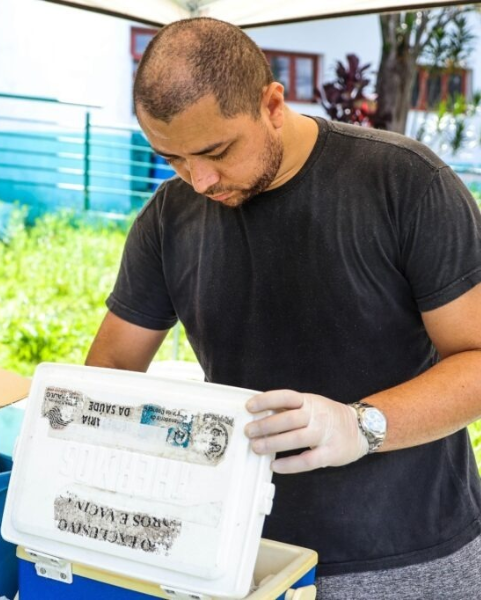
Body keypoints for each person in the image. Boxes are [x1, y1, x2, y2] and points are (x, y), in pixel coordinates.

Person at [86, 17, 481, 600]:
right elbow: (112, 367)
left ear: (272, 104)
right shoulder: (170, 216)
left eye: (216, 151)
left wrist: (360, 425)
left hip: (410, 554)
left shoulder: (405, 182)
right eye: (172, 159)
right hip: (243, 552)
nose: (200, 180)